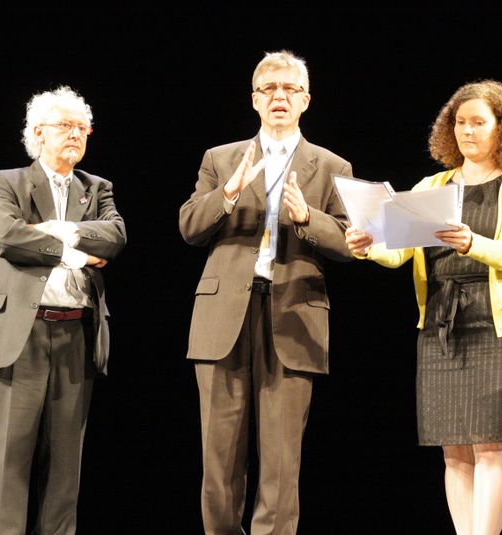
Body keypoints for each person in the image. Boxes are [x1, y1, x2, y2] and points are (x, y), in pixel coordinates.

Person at [346, 80, 502, 535]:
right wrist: (366, 246)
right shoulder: (433, 185)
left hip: (496, 325)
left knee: (491, 444)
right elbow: (398, 251)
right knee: (454, 449)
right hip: (441, 322)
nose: (467, 131)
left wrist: (471, 242)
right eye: (460, 122)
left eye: (478, 122)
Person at [179, 50, 353, 534]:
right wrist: (228, 192)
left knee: (280, 462)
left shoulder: (332, 165)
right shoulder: (220, 158)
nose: (280, 97)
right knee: (218, 458)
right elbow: (189, 226)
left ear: (306, 100)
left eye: (290, 89)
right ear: (255, 100)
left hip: (294, 315)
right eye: (269, 89)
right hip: (223, 317)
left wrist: (307, 218)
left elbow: (351, 242)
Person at [0, 85, 126, 535]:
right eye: (65, 126)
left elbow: (116, 237)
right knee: (9, 458)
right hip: (21, 334)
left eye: (82, 128)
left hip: (77, 333)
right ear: (38, 132)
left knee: (65, 465)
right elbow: (8, 236)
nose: (76, 134)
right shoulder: (5, 182)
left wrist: (58, 230)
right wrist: (79, 251)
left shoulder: (97, 187)